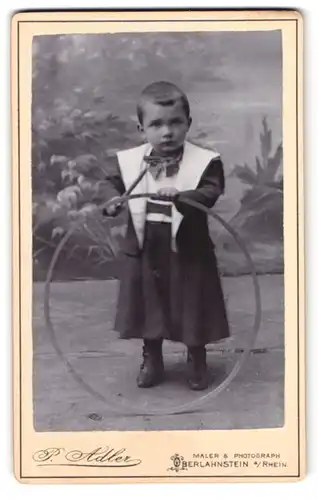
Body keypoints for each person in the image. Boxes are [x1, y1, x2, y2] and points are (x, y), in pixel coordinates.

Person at [103, 81, 230, 391]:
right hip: (147, 247)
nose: (167, 131)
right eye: (156, 124)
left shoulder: (205, 161)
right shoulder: (130, 161)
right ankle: (152, 358)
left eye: (175, 122)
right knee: (150, 304)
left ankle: (197, 358)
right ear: (141, 128)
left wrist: (185, 195)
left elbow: (210, 191)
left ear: (188, 123)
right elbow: (110, 185)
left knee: (191, 303)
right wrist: (112, 202)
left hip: (188, 248)